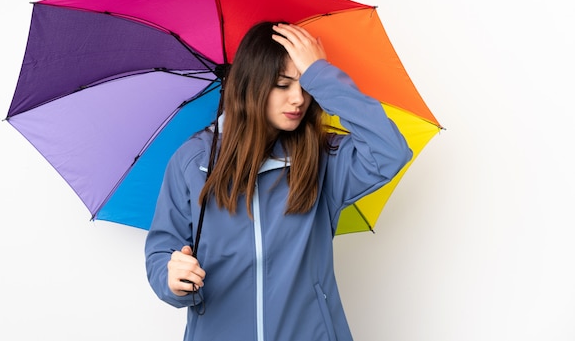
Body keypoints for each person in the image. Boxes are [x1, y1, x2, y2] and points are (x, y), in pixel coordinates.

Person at [145, 21, 412, 341]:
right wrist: (173, 279)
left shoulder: (324, 159)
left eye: (306, 84)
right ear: (252, 85)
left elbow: (391, 151)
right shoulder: (193, 162)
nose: (298, 99)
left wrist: (321, 73)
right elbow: (163, 251)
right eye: (283, 84)